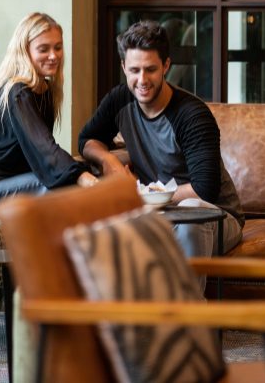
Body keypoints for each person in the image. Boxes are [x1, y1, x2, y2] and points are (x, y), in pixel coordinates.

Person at [78, 19, 244, 265]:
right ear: (124, 67)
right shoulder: (120, 99)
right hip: (159, 216)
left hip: (215, 216)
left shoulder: (191, 114)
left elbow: (204, 189)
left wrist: (147, 198)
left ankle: (189, 304)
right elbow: (87, 139)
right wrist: (110, 161)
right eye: (134, 70)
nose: (142, 80)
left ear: (166, 65)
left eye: (150, 69)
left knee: (189, 212)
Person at [0, 12, 98, 219]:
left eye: (58, 47)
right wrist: (83, 177)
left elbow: (41, 156)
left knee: (81, 172)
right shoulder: (17, 92)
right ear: (24, 51)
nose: (53, 55)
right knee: (64, 184)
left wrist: (87, 171)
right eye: (43, 49)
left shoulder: (46, 90)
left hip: (16, 183)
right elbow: (44, 149)